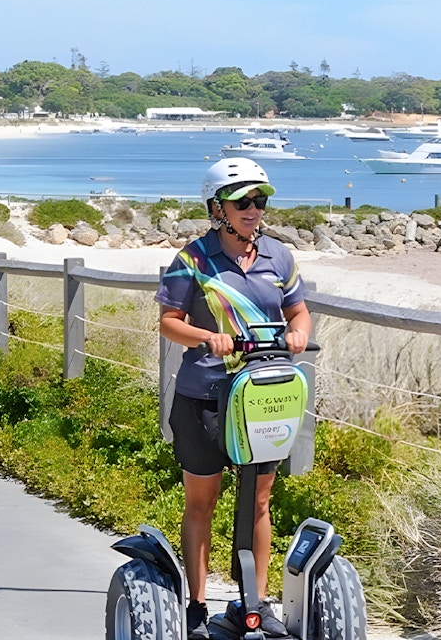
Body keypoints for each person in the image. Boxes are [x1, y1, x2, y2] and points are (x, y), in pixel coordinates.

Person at [155, 157, 312, 640]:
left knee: (260, 502)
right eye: (242, 201)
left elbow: (299, 312)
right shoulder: (193, 259)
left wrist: (300, 335)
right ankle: (198, 606)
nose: (253, 209)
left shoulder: (279, 257)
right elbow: (168, 321)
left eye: (259, 201)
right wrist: (207, 336)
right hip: (203, 397)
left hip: (260, 398)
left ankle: (256, 603)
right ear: (217, 207)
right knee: (202, 501)